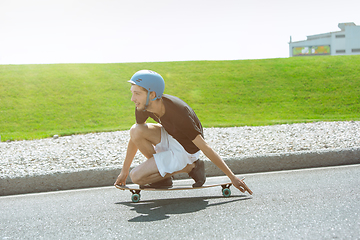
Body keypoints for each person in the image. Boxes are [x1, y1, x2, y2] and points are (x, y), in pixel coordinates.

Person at [114, 70, 252, 194]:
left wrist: (232, 177)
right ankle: (162, 178)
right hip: (171, 136)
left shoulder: (179, 113)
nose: (133, 99)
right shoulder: (142, 107)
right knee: (136, 130)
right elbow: (135, 137)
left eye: (137, 94)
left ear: (152, 95)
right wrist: (124, 171)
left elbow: (205, 147)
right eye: (132, 93)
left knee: (137, 177)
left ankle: (190, 167)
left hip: (186, 150)